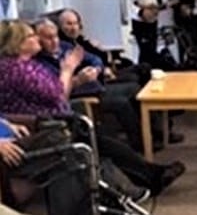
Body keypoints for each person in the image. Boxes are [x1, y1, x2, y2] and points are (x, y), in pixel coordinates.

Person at [0, 20, 185, 197]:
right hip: (43, 126)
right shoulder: (17, 69)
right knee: (98, 141)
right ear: (18, 43)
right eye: (31, 36)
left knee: (101, 141)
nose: (37, 39)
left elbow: (59, 90)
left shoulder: (25, 65)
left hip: (55, 117)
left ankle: (143, 180)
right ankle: (146, 179)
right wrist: (68, 69)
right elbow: (57, 95)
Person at [0, 116, 93, 215]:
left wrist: (8, 125)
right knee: (57, 139)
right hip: (6, 150)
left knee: (75, 156)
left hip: (12, 139)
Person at [130, 0, 167, 67]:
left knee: (152, 52)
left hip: (152, 23)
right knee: (145, 52)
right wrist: (141, 11)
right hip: (140, 23)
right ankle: (142, 75)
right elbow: (130, 2)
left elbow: (154, 2)